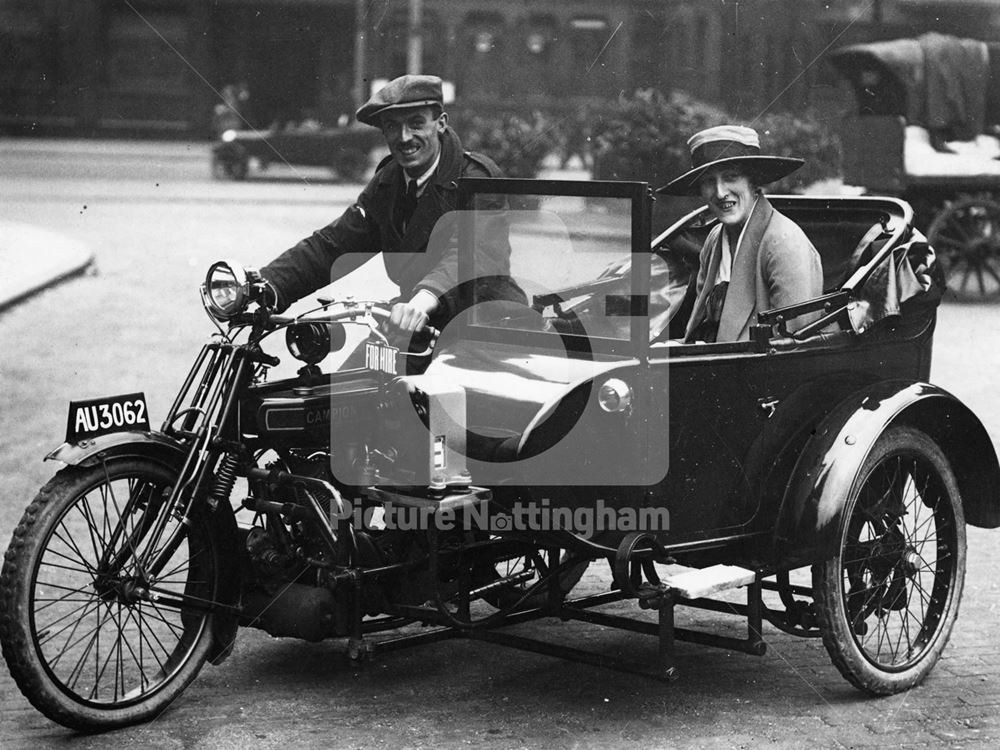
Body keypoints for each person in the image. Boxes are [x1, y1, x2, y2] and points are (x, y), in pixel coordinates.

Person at [259, 74, 524, 337]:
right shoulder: (389, 181)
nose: (404, 137)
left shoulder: (477, 178)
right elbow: (333, 244)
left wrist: (424, 298)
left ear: (441, 124)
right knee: (351, 376)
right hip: (415, 322)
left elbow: (470, 256)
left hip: (486, 329)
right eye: (392, 127)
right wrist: (267, 285)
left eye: (416, 123)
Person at [657, 125, 823, 343]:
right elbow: (703, 332)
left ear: (752, 181)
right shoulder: (714, 239)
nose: (720, 192)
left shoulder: (783, 242)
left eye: (731, 177)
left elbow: (791, 349)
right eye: (709, 181)